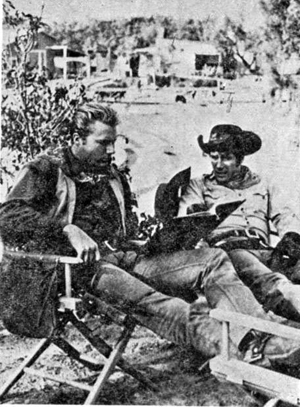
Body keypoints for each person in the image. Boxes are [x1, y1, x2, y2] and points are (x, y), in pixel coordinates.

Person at [1, 105, 300, 369]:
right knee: (167, 306)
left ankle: (256, 336)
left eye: (113, 143)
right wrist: (67, 230)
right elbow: (8, 216)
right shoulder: (46, 170)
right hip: (78, 271)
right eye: (103, 143)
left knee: (213, 260)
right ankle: (254, 353)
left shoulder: (112, 175)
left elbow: (124, 227)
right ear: (77, 139)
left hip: (126, 256)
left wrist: (157, 237)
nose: (111, 151)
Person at [178, 124, 300, 323]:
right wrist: (196, 213)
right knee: (272, 282)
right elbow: (188, 220)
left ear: (240, 158)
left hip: (266, 251)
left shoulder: (263, 183)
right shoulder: (198, 185)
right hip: (230, 254)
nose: (218, 164)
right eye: (214, 157)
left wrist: (291, 238)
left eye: (226, 157)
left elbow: (285, 216)